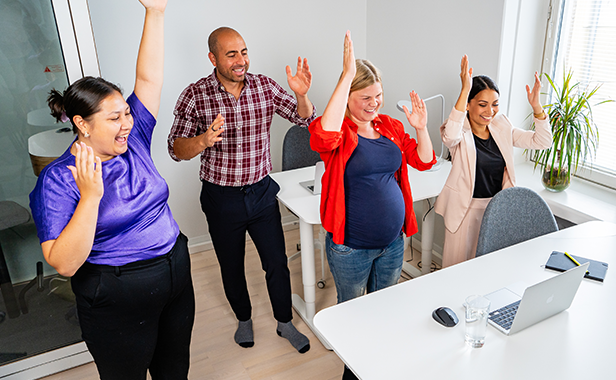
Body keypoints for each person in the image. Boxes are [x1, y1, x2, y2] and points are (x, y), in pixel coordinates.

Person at [29, 1, 195, 379]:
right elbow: (65, 263)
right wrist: (91, 197)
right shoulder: (58, 179)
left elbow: (149, 81)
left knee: (174, 371)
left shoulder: (132, 138)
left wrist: (155, 12)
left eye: (126, 112)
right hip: (118, 297)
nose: (126, 123)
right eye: (114, 117)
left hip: (175, 276)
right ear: (82, 124)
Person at [167, 27, 313, 353]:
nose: (240, 60)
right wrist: (203, 140)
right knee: (231, 265)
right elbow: (175, 148)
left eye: (243, 52)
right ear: (213, 58)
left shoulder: (264, 86)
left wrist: (302, 95)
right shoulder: (196, 94)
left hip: (261, 192)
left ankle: (284, 322)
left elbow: (303, 119)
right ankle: (244, 319)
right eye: (231, 54)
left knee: (276, 261)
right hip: (221, 198)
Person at [308, 31, 436, 380]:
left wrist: (421, 129)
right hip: (352, 248)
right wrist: (347, 74)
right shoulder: (338, 133)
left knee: (385, 311)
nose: (374, 104)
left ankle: (378, 369)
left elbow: (424, 161)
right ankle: (354, 373)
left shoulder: (390, 126)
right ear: (347, 96)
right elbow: (320, 136)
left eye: (378, 96)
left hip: (394, 243)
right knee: (354, 315)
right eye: (365, 97)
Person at [435, 55, 553, 267]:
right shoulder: (458, 129)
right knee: (457, 270)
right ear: (468, 105)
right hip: (465, 210)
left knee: (487, 269)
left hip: (497, 209)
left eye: (495, 104)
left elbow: (542, 141)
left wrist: (537, 107)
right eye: (482, 104)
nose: (490, 111)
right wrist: (464, 89)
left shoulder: (502, 126)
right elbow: (450, 137)